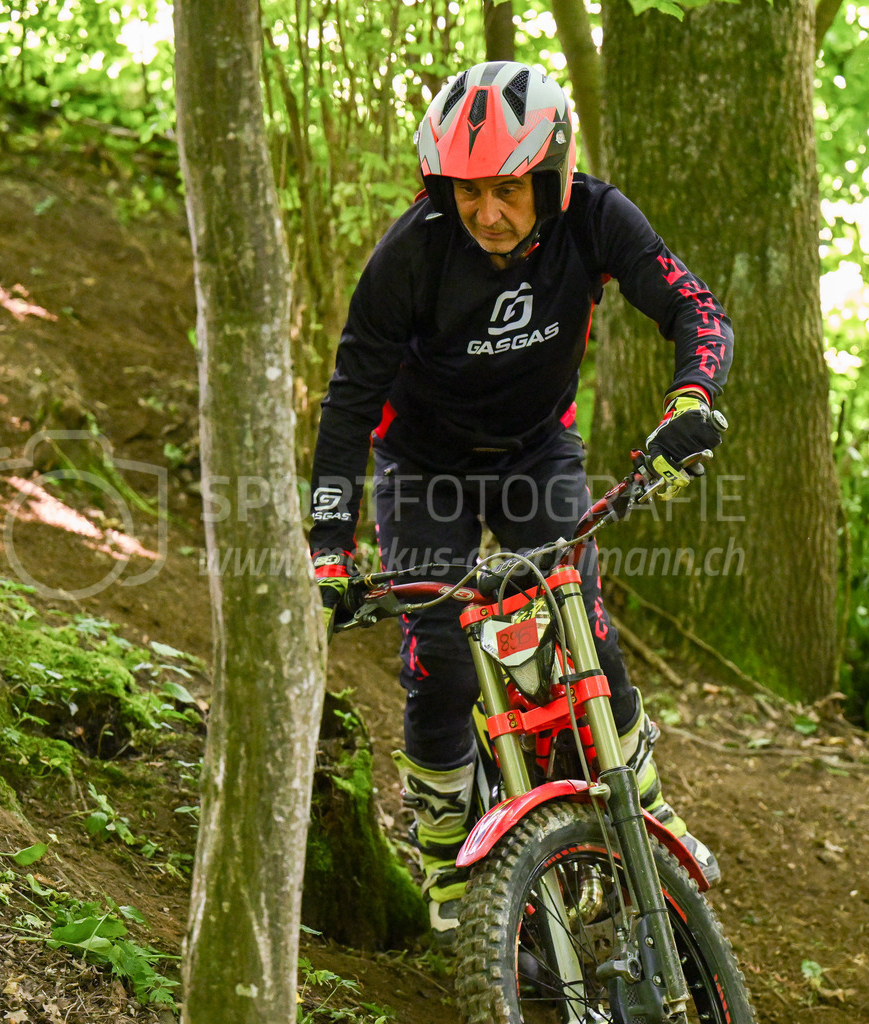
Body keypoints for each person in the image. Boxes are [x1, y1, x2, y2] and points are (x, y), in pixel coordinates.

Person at [309, 61, 732, 944]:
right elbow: (350, 399)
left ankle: (647, 810)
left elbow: (696, 309)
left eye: (508, 188)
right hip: (423, 463)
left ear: (550, 175)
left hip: (540, 447)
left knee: (581, 622)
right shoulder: (412, 252)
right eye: (468, 192)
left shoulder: (596, 218)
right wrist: (328, 546)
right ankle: (439, 844)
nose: (488, 212)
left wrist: (691, 401)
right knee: (441, 649)